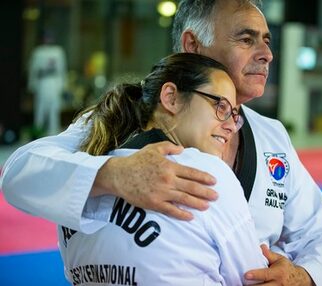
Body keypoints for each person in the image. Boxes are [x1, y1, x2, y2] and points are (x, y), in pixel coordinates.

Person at [1, 0, 322, 285]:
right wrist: (116, 173)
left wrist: (304, 277)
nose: (267, 53)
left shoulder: (272, 135)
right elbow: (19, 172)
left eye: (267, 41)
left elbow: (321, 233)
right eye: (246, 39)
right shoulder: (119, 116)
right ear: (192, 46)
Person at [59, 53, 267, 285]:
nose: (230, 126)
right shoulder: (208, 175)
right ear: (171, 98)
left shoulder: (79, 184)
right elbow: (255, 278)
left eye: (235, 115)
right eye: (221, 106)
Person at [28, 32, 67, 136]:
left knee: (54, 108)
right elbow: (33, 70)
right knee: (40, 108)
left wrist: (62, 84)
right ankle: (38, 131)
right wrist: (32, 84)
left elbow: (62, 69)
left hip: (54, 81)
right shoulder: (38, 52)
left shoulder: (58, 51)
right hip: (42, 81)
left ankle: (53, 132)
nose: (47, 40)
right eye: (46, 38)